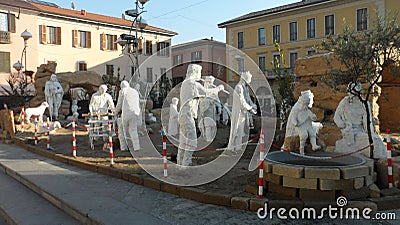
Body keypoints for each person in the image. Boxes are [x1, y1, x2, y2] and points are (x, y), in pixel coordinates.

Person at [177, 64, 225, 166]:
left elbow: (201, 96)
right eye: (199, 72)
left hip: (184, 115)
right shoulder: (192, 83)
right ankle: (186, 164)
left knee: (183, 142)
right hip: (187, 115)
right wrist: (218, 89)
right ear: (194, 72)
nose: (200, 75)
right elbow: (206, 92)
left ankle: (180, 164)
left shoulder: (186, 82)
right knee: (192, 142)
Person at [334, 81, 386, 158]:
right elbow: (336, 117)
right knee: (375, 141)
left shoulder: (364, 103)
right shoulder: (345, 102)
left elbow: (368, 122)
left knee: (376, 139)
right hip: (349, 131)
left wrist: (370, 133)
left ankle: (379, 156)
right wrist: (344, 125)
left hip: (360, 130)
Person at [227, 71, 257, 152]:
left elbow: (248, 99)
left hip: (243, 113)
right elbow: (242, 102)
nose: (250, 82)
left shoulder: (245, 88)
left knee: (240, 132)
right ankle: (231, 148)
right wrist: (250, 108)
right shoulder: (239, 88)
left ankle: (238, 148)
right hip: (238, 113)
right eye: (249, 79)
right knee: (235, 131)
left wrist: (253, 105)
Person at [285, 90, 321, 155]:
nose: (305, 106)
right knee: (304, 135)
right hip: (300, 126)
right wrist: (295, 123)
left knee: (312, 133)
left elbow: (312, 116)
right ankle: (301, 150)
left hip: (308, 125)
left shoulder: (307, 110)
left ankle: (314, 145)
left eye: (307, 105)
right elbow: (293, 117)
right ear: (301, 103)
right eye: (305, 104)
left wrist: (314, 117)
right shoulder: (296, 110)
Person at [115, 81, 141, 151]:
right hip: (135, 113)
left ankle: (123, 147)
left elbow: (119, 104)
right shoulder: (134, 91)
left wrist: (115, 112)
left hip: (126, 114)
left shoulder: (122, 91)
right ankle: (136, 147)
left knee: (121, 130)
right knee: (133, 130)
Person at [198, 76, 221, 141]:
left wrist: (219, 107)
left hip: (212, 111)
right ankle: (207, 138)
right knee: (207, 125)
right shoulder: (203, 91)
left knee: (212, 125)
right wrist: (210, 102)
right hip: (206, 111)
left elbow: (217, 99)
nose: (211, 84)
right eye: (210, 82)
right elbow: (202, 101)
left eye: (212, 82)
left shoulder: (213, 90)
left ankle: (211, 137)